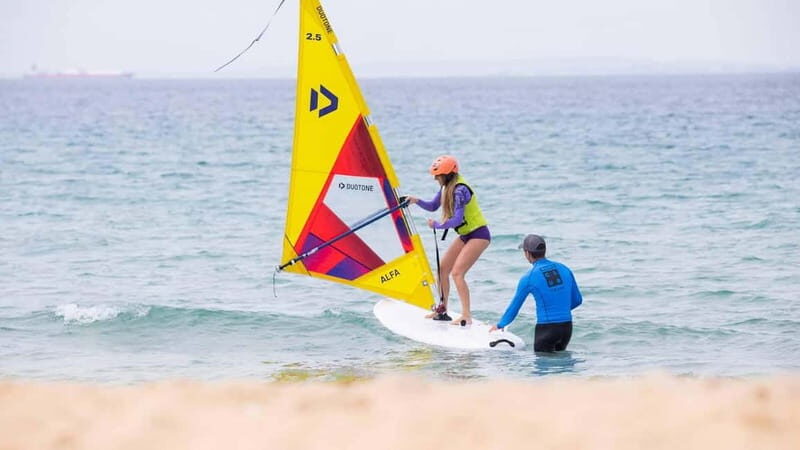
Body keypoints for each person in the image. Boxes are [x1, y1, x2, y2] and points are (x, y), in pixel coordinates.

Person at [406, 155, 490, 325]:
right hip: (466, 235)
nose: (435, 178)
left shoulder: (460, 190)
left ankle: (466, 315)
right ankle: (442, 309)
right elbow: (432, 206)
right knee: (442, 269)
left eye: (438, 175)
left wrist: (438, 225)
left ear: (448, 174)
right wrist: (415, 201)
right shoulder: (446, 187)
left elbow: (457, 220)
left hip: (479, 234)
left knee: (457, 273)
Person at [489, 234, 583, 352]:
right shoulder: (564, 268)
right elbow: (578, 300)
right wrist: (560, 310)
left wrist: (500, 325)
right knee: (562, 367)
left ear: (527, 253)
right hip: (567, 328)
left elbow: (514, 307)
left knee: (542, 368)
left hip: (546, 330)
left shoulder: (529, 277)